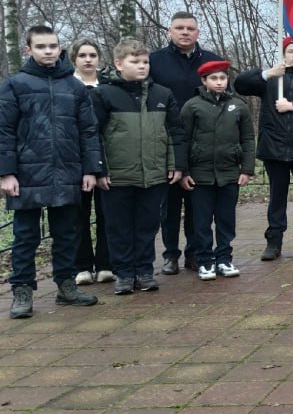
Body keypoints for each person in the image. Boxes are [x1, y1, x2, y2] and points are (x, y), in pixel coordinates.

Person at [0, 26, 102, 318]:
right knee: (25, 236)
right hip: (26, 174)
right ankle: (21, 291)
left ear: (60, 49)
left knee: (68, 233)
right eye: (41, 46)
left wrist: (90, 170)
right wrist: (7, 173)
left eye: (53, 46)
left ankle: (66, 286)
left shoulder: (74, 87)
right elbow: (4, 131)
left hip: (68, 172)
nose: (48, 51)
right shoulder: (14, 85)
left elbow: (88, 131)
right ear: (28, 50)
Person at [92, 38, 186, 295]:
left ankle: (144, 271)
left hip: (154, 174)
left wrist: (176, 164)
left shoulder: (162, 94)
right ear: (119, 63)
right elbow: (93, 134)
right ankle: (123, 273)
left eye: (145, 61)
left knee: (147, 224)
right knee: (118, 227)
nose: (142, 66)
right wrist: (99, 170)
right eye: (135, 62)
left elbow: (175, 132)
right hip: (117, 176)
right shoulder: (103, 94)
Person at [234, 37, 293, 260]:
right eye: (290, 51)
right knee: (277, 196)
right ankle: (274, 240)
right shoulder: (271, 78)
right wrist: (267, 73)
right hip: (274, 147)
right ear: (284, 55)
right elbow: (240, 84)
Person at [150, 11, 223, 275]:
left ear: (198, 32)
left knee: (199, 203)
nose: (185, 32)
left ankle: (196, 252)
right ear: (169, 31)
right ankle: (171, 255)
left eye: (190, 28)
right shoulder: (154, 61)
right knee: (169, 204)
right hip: (167, 141)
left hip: (203, 142)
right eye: (179, 28)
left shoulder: (213, 62)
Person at [180, 61, 255, 280]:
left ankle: (224, 259)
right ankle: (205, 261)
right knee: (201, 221)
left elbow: (248, 139)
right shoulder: (192, 106)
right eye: (214, 79)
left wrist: (247, 169)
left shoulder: (238, 106)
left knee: (226, 219)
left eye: (223, 78)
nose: (219, 82)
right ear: (204, 81)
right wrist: (184, 172)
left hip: (229, 173)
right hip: (199, 175)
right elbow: (182, 140)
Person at [69, 38, 112, 286]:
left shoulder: (107, 86)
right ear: (74, 58)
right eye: (83, 55)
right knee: (78, 215)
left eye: (93, 55)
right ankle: (82, 265)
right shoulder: (67, 86)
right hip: (75, 159)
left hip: (107, 157)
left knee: (107, 212)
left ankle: (106, 263)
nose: (88, 59)